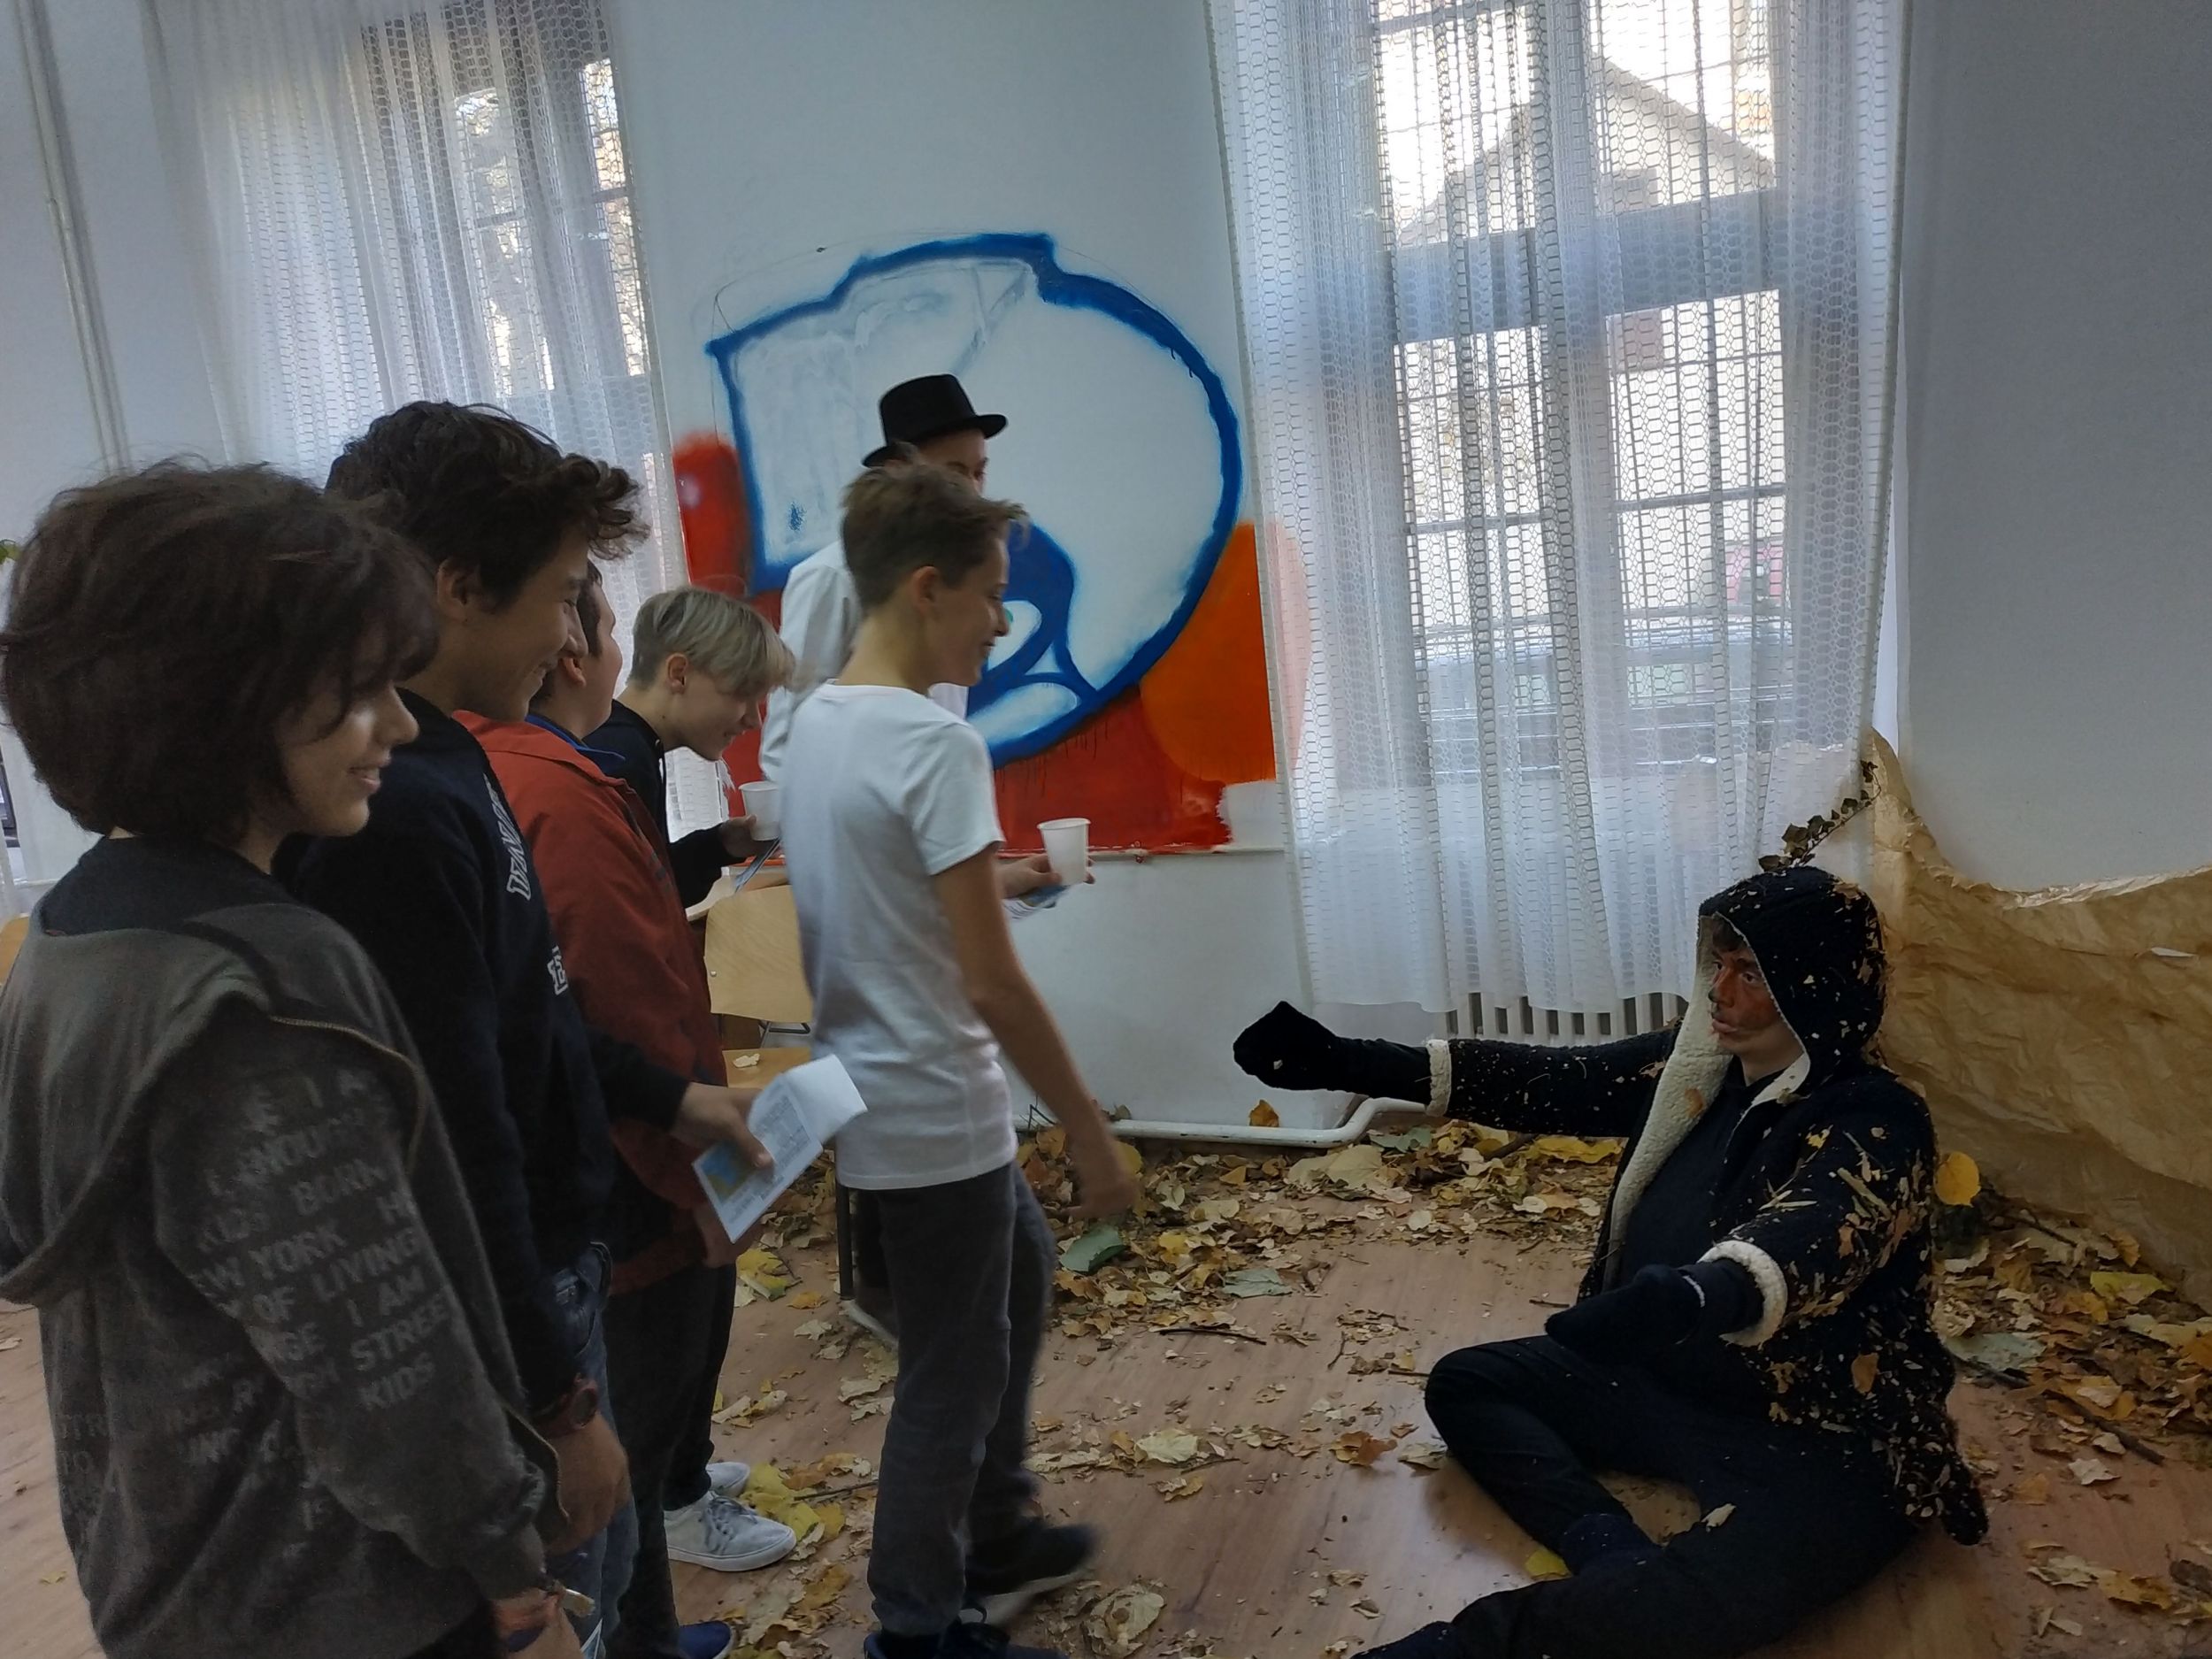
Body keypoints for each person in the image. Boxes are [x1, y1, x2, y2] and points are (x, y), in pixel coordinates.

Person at [0, 463, 581, 1658]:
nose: (400, 726)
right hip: (348, 1600)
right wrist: (510, 1568)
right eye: (357, 693)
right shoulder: (265, 986)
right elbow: (379, 1356)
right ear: (220, 703)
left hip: (170, 1571)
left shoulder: (71, 932)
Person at [285, 403, 769, 1655]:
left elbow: (530, 1013)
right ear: (458, 586)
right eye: (561, 597)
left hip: (560, 1267)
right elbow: (455, 1129)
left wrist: (671, 1097)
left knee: (612, 1566)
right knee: (570, 1597)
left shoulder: (459, 758)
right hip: (513, 1312)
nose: (571, 636)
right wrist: (556, 1397)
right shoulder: (394, 812)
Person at [1233, 867, 1987, 1659]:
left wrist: (1700, 1295)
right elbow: (1556, 1081)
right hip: (1669, 1381)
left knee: (1694, 1611)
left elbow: (1821, 1229)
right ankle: (1611, 1550)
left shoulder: (1878, 1116)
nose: (1720, 989)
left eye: (1752, 973)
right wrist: (1353, 1061)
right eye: (1720, 962)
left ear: (1819, 990)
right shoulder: (1698, 1066)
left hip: (1816, 1431)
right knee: (1468, 1382)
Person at [780, 464, 1138, 1659]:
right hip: (934, 1105)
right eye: (990, 595)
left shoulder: (818, 724)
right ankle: (918, 1623)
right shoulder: (932, 740)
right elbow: (992, 982)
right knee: (951, 1373)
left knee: (1016, 1279)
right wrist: (1088, 1130)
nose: (1001, 621)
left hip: (871, 1096)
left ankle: (996, 1526)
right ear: (926, 588)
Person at [471, 566, 799, 1659]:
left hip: (637, 1145)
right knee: (632, 1430)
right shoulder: (574, 781)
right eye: (602, 627)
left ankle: (660, 1570)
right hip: (632, 1170)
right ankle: (660, 1557)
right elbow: (613, 1001)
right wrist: (692, 1170)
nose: (608, 653)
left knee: (644, 1419)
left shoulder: (596, 768)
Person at [757, 373, 1002, 783]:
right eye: (955, 473)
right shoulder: (830, 577)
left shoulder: (956, 583)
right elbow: (786, 747)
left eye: (979, 473)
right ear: (898, 472)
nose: (973, 491)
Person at [590, 585, 783, 910]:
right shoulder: (620, 763)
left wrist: (721, 844)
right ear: (679, 674)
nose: (754, 720)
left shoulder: (632, 746)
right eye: (743, 694)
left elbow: (652, 880)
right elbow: (638, 908)